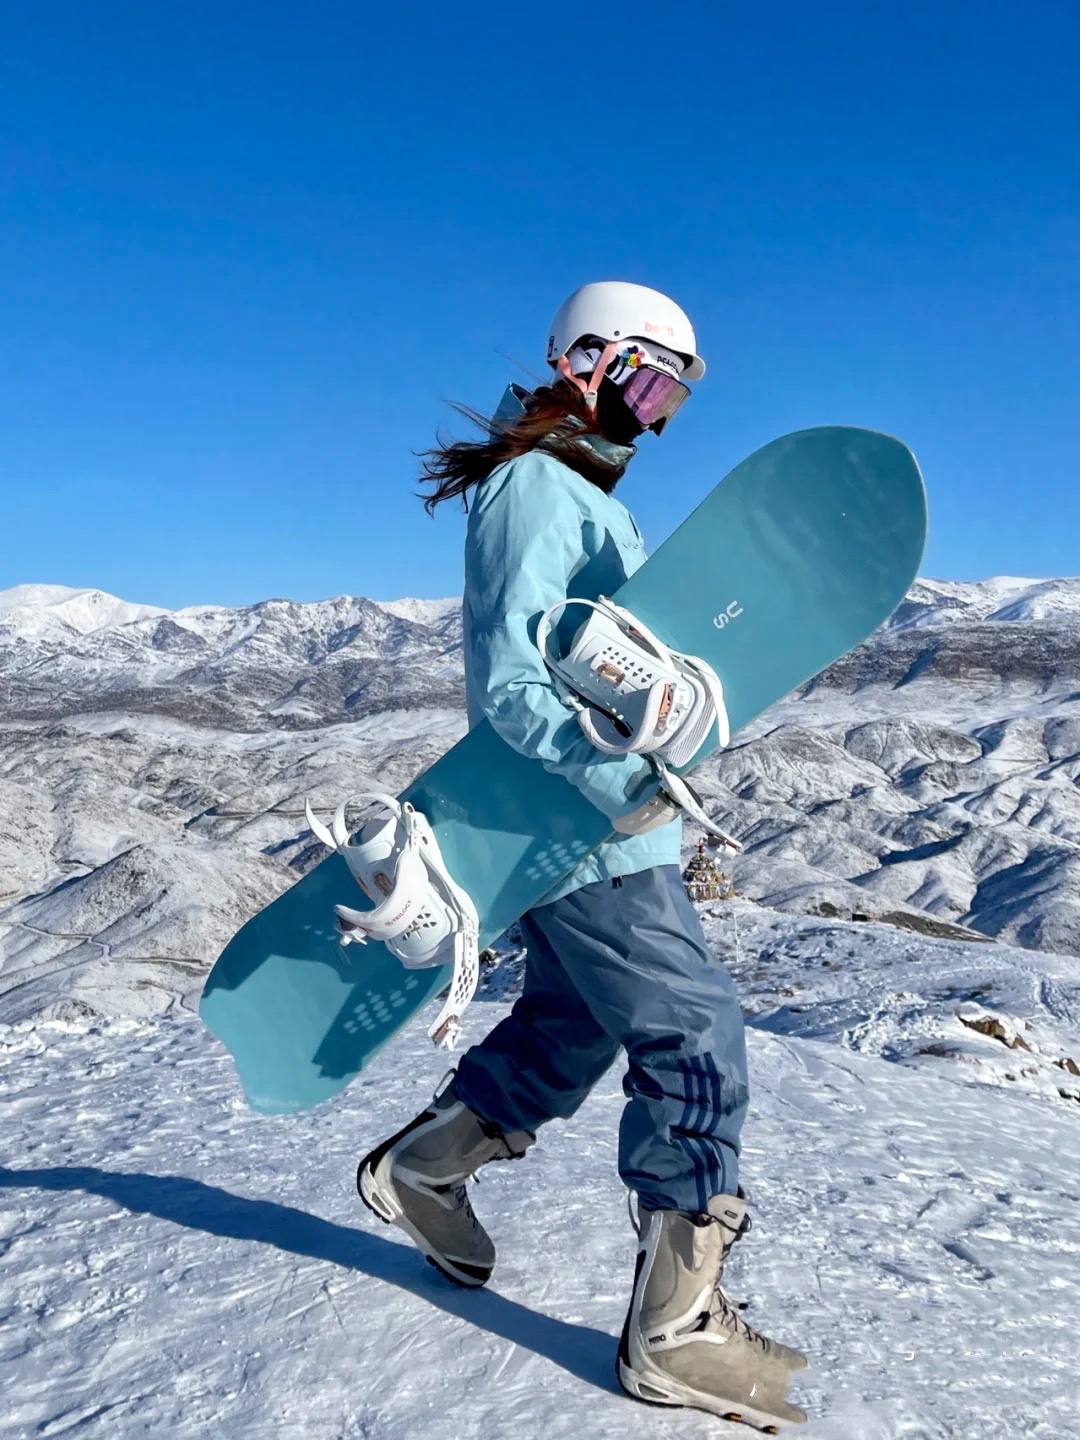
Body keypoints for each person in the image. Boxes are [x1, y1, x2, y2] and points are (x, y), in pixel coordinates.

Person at [357, 282, 808, 1430]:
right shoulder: (535, 491)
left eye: (674, 399)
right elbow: (514, 689)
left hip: (597, 822)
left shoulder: (581, 490)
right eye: (653, 384)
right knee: (691, 1028)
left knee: (577, 1022)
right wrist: (625, 787)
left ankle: (427, 1167)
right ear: (592, 359)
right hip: (586, 826)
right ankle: (676, 1329)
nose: (657, 418)